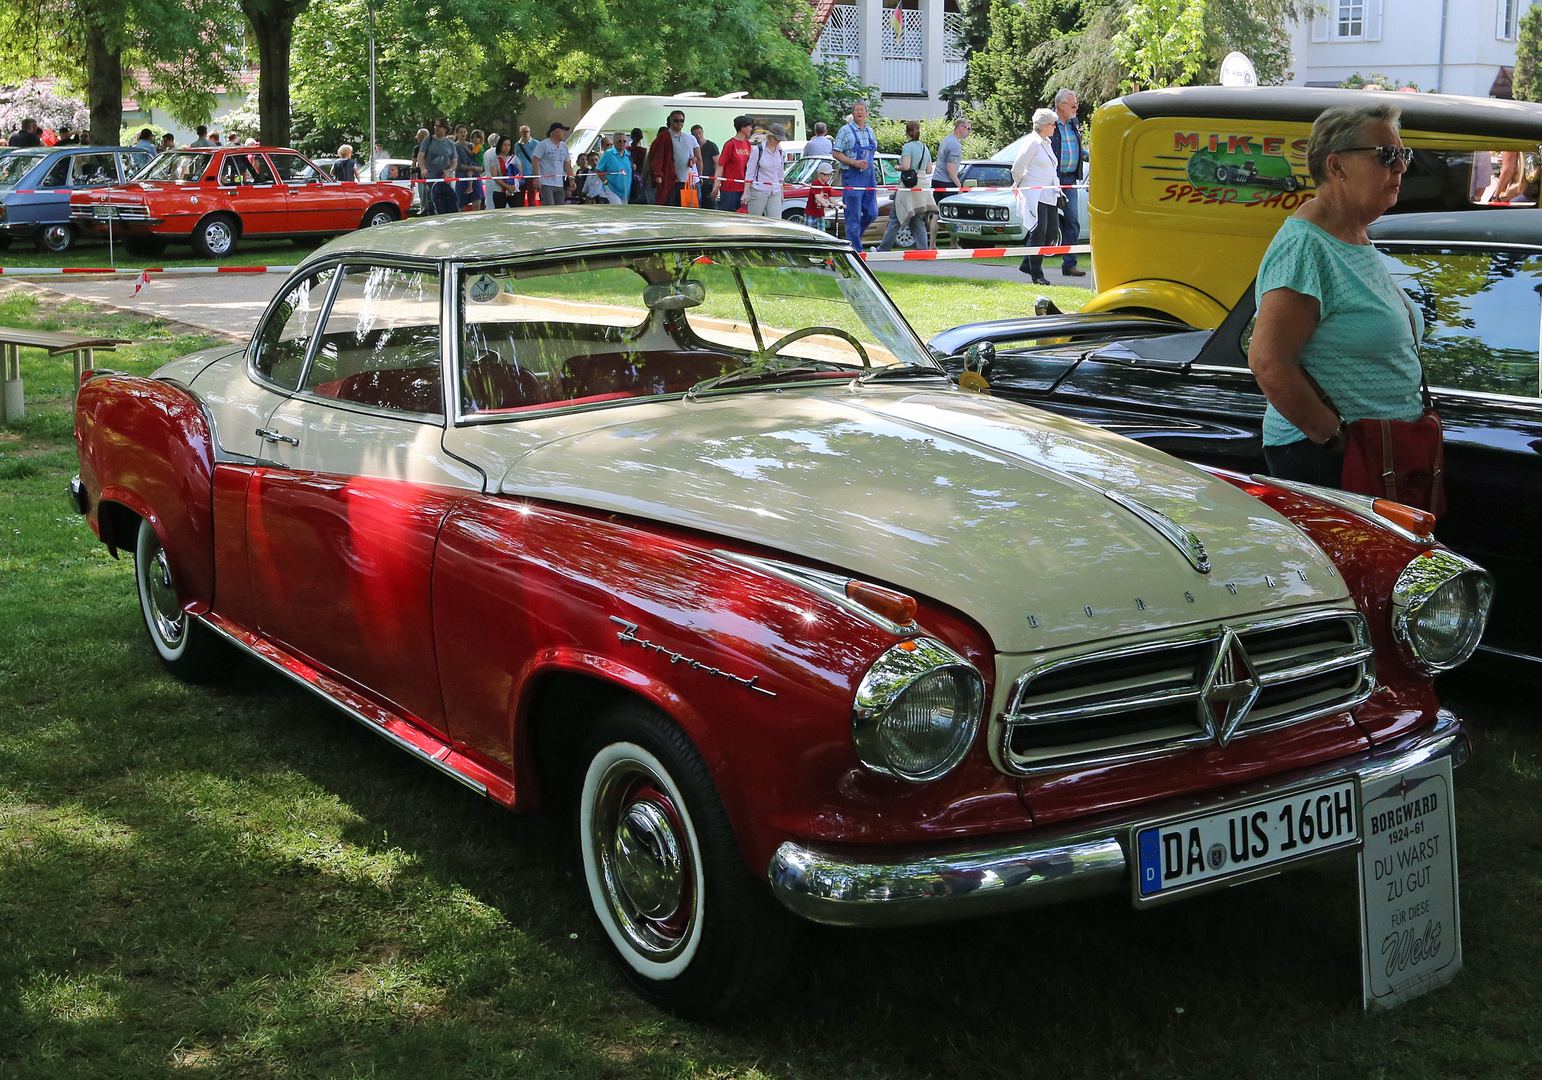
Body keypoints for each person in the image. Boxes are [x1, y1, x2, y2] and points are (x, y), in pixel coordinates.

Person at [1248, 102, 1423, 488]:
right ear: (1336, 166)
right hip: (1329, 462)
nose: (1400, 167)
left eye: (1402, 154)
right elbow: (1268, 361)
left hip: (1379, 452)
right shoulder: (1306, 247)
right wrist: (1336, 439)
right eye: (1386, 155)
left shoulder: (1354, 234)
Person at [1013, 109, 1063, 284]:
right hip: (1035, 192)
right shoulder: (1032, 143)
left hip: (1049, 192)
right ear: (1043, 126)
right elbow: (1017, 167)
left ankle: (1027, 263)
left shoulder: (1046, 143)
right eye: (1052, 124)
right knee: (1039, 232)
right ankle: (1037, 274)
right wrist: (1019, 183)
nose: (1055, 127)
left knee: (1051, 233)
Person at [878, 121, 936, 251]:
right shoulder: (924, 147)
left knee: (896, 218)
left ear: (907, 132)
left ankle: (883, 248)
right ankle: (923, 250)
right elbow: (929, 170)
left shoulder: (907, 147)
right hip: (922, 186)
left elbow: (906, 166)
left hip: (908, 187)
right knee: (918, 220)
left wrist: (897, 167)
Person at [1049, 88, 1088, 276]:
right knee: (1045, 224)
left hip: (1070, 180)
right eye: (1073, 105)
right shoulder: (1049, 124)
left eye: (1077, 105)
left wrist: (1090, 155)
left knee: (1072, 222)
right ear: (1061, 106)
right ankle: (1030, 263)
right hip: (1051, 180)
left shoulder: (1074, 124)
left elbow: (1077, 149)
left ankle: (1069, 265)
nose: (1076, 108)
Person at [833, 101, 879, 253]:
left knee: (872, 213)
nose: (859, 112)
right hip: (852, 177)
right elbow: (836, 153)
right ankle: (856, 251)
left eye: (862, 110)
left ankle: (852, 240)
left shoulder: (870, 131)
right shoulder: (845, 131)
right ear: (852, 113)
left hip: (869, 177)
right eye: (856, 110)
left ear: (866, 113)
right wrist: (854, 162)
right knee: (853, 217)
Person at [744, 122, 787, 218]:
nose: (778, 141)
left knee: (776, 221)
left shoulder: (780, 151)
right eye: (777, 138)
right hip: (759, 190)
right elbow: (750, 172)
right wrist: (745, 193)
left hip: (775, 190)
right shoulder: (758, 150)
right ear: (770, 136)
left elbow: (780, 173)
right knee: (755, 220)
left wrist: (782, 192)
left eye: (780, 139)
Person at [711, 115, 753, 213]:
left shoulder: (747, 143)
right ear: (743, 128)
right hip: (729, 188)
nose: (751, 129)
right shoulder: (730, 144)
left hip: (743, 188)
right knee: (726, 214)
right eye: (749, 126)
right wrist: (716, 185)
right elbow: (721, 165)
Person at [419, 119, 460, 215]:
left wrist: (449, 171)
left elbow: (454, 162)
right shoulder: (428, 140)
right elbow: (420, 156)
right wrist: (423, 169)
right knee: (431, 204)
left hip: (444, 180)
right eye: (435, 126)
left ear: (445, 129)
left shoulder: (450, 144)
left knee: (447, 204)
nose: (436, 128)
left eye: (439, 126)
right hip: (430, 178)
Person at [531, 121, 574, 207]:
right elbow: (535, 160)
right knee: (549, 207)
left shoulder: (564, 146)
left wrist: (571, 179)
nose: (565, 133)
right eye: (563, 131)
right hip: (546, 183)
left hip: (559, 184)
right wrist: (536, 178)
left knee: (560, 208)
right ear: (555, 131)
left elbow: (567, 164)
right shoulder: (543, 144)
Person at [663, 110, 701, 207]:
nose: (679, 123)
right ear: (671, 121)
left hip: (690, 181)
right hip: (672, 180)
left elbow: (699, 158)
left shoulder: (690, 138)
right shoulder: (665, 137)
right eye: (676, 120)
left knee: (691, 209)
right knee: (672, 209)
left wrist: (699, 175)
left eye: (681, 121)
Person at [932, 117, 969, 196]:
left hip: (937, 180)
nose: (969, 132)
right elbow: (950, 168)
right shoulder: (955, 144)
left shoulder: (946, 139)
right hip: (946, 183)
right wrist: (959, 185)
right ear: (960, 127)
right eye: (968, 128)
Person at [597, 133, 632, 204]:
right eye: (619, 141)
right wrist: (605, 182)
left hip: (625, 190)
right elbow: (599, 169)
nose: (622, 143)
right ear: (615, 142)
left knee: (624, 211)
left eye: (624, 141)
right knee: (618, 210)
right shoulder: (608, 153)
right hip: (612, 188)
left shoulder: (628, 154)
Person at [646, 125, 676, 205]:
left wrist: (643, 179)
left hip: (655, 180)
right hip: (660, 180)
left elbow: (646, 166)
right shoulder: (668, 148)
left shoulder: (653, 146)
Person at [692, 124, 718, 210]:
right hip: (695, 181)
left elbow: (717, 164)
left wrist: (716, 183)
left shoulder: (711, 146)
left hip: (708, 182)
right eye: (695, 134)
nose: (698, 136)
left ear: (703, 133)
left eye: (700, 133)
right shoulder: (692, 147)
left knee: (709, 206)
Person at [804, 162, 836, 232]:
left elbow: (831, 198)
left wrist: (839, 204)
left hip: (820, 213)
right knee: (809, 230)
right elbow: (817, 197)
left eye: (830, 175)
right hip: (811, 212)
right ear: (819, 173)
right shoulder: (816, 183)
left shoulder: (827, 186)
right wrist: (826, 204)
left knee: (822, 230)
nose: (828, 177)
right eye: (826, 175)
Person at [489, 135, 517, 208]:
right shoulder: (494, 159)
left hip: (513, 191)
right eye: (505, 145)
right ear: (500, 145)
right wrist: (507, 187)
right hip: (499, 191)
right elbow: (494, 176)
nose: (507, 147)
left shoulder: (515, 158)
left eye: (509, 145)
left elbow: (519, 173)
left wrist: (513, 187)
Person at [514, 125, 538, 206]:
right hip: (521, 176)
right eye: (524, 132)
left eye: (527, 132)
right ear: (520, 132)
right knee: (520, 199)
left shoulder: (536, 144)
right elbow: (516, 159)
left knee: (532, 199)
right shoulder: (517, 145)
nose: (526, 134)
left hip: (531, 175)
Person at [627, 127, 648, 204]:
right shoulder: (644, 151)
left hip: (629, 178)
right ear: (641, 138)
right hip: (640, 180)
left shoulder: (627, 150)